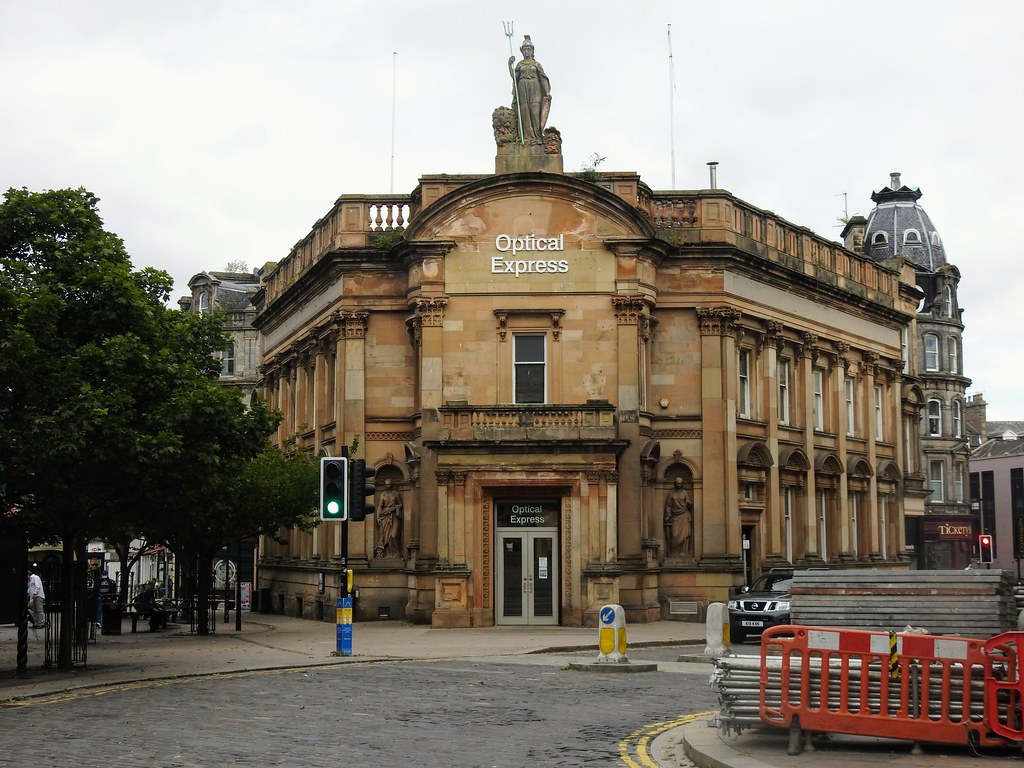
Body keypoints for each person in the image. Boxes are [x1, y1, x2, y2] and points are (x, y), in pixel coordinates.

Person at [508, 35, 551, 145]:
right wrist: (509, 64)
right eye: (525, 49)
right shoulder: (519, 64)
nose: (527, 51)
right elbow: (514, 76)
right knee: (525, 111)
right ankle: (526, 137)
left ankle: (537, 136)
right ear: (522, 51)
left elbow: (543, 78)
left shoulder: (536, 64)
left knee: (535, 111)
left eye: (529, 49)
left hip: (535, 88)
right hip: (523, 88)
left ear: (532, 50)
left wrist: (547, 93)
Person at [664, 477, 694, 558]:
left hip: (684, 515)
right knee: (674, 534)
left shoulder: (684, 492)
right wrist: (668, 515)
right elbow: (668, 505)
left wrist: (688, 503)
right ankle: (673, 553)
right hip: (674, 516)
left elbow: (689, 504)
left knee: (684, 534)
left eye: (680, 483)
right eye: (678, 483)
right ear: (675, 483)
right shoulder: (671, 493)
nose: (679, 485)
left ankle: (683, 552)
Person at [375, 479, 404, 559]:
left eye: (389, 484)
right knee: (384, 537)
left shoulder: (395, 493)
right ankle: (387, 554)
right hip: (384, 516)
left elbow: (400, 504)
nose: (387, 486)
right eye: (386, 484)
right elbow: (380, 506)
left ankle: (397, 553)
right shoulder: (383, 494)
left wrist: (395, 507)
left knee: (394, 535)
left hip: (394, 515)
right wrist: (378, 516)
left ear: (391, 484)